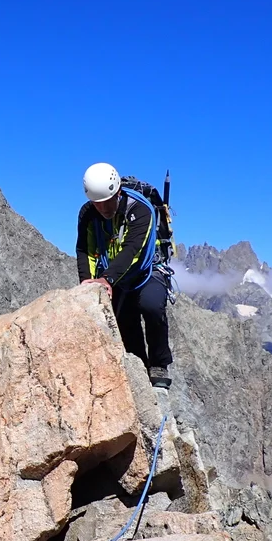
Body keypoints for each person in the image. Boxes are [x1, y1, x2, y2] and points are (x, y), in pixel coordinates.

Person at [75, 162, 173, 388]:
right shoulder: (88, 214)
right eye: (97, 204)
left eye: (107, 202)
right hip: (114, 275)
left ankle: (159, 364)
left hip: (147, 271)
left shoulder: (140, 209)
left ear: (118, 192)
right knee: (124, 319)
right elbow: (85, 250)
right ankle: (138, 365)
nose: (103, 209)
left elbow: (133, 249)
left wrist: (106, 279)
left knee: (152, 306)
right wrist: (86, 282)